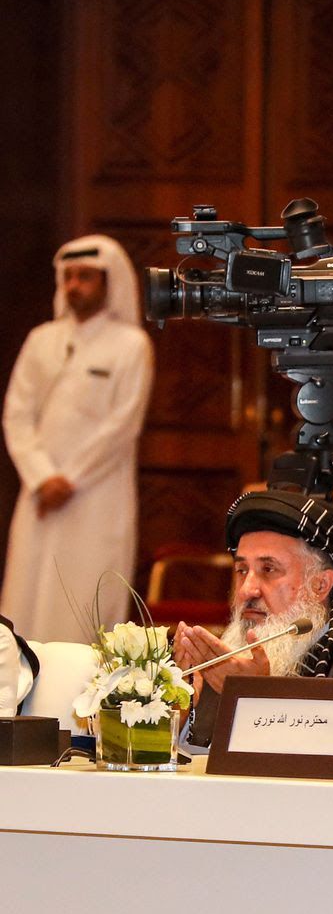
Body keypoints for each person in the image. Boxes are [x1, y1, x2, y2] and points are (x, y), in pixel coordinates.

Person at [1, 235, 154, 643]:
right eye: (68, 277)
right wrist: (41, 477)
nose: (74, 286)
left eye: (85, 277)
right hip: (40, 496)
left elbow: (123, 424)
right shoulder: (41, 340)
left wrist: (69, 479)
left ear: (109, 282)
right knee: (25, 599)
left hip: (95, 496)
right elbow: (17, 414)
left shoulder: (131, 345)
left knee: (85, 602)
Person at [175, 489, 333, 746]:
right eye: (241, 570)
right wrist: (179, 710)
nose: (247, 590)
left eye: (269, 569)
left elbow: (329, 778)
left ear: (320, 585)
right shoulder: (212, 668)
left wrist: (256, 697)